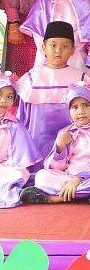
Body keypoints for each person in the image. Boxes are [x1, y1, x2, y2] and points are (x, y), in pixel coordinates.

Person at [22, 84, 90, 208]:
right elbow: (56, 167)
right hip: (67, 177)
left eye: (86, 105)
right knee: (41, 176)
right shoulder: (66, 132)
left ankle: (56, 197)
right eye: (75, 107)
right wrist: (60, 146)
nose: (80, 111)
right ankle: (87, 195)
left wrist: (78, 179)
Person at [17, 21, 90, 158]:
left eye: (64, 46)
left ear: (72, 50)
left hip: (72, 146)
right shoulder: (32, 78)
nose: (58, 51)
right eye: (53, 45)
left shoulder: (81, 78)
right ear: (43, 47)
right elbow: (21, 118)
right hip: (35, 145)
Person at [0, 72, 40, 208]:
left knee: (17, 174)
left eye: (9, 97)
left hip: (5, 169)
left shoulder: (16, 126)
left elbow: (19, 162)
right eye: (0, 94)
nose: (3, 101)